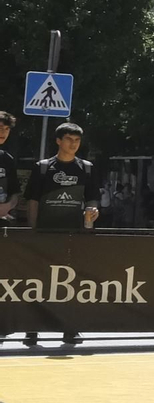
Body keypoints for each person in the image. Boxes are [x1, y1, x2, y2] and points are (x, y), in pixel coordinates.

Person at [20, 122, 97, 345]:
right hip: (44, 233)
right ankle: (31, 329)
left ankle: (69, 329)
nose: (73, 144)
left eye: (77, 140)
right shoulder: (43, 167)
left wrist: (91, 214)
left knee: (71, 283)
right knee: (37, 282)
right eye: (69, 139)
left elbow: (92, 198)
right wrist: (33, 230)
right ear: (58, 141)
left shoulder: (87, 168)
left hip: (73, 234)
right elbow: (32, 200)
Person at [0, 112, 18, 224]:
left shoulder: (7, 159)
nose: (3, 132)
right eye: (0, 127)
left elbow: (15, 193)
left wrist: (7, 206)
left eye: (7, 129)